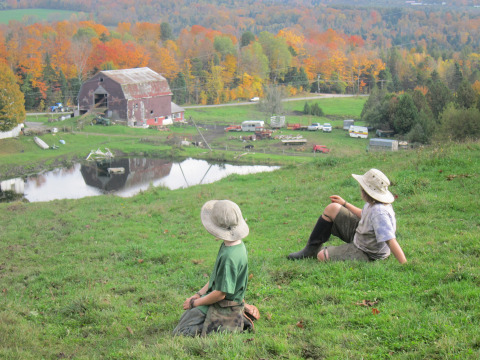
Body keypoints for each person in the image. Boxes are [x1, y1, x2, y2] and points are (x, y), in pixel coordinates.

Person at [287, 169, 407, 264]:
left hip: (368, 252)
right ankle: (310, 250)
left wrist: (404, 264)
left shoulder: (379, 212)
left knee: (322, 256)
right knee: (332, 208)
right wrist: (344, 204)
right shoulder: (373, 204)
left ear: (366, 191)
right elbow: (363, 215)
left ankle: (322, 252)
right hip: (361, 236)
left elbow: (390, 239)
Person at [173, 199, 250, 336]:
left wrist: (195, 303)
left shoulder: (229, 258)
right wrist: (198, 295)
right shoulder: (235, 245)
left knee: (180, 333)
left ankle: (236, 320)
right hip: (218, 298)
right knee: (186, 318)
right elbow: (216, 279)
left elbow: (220, 294)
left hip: (224, 305)